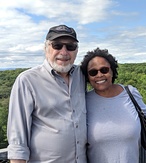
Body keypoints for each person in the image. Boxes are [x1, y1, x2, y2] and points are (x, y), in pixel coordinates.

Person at [7, 25, 87, 163]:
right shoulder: (27, 80)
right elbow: (17, 138)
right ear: (46, 48)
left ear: (77, 51)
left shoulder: (83, 75)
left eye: (70, 46)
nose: (64, 52)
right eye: (57, 45)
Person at [80, 47, 146, 163]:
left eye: (104, 70)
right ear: (87, 77)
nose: (99, 75)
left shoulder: (130, 93)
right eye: (93, 72)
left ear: (112, 71)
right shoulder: (83, 101)